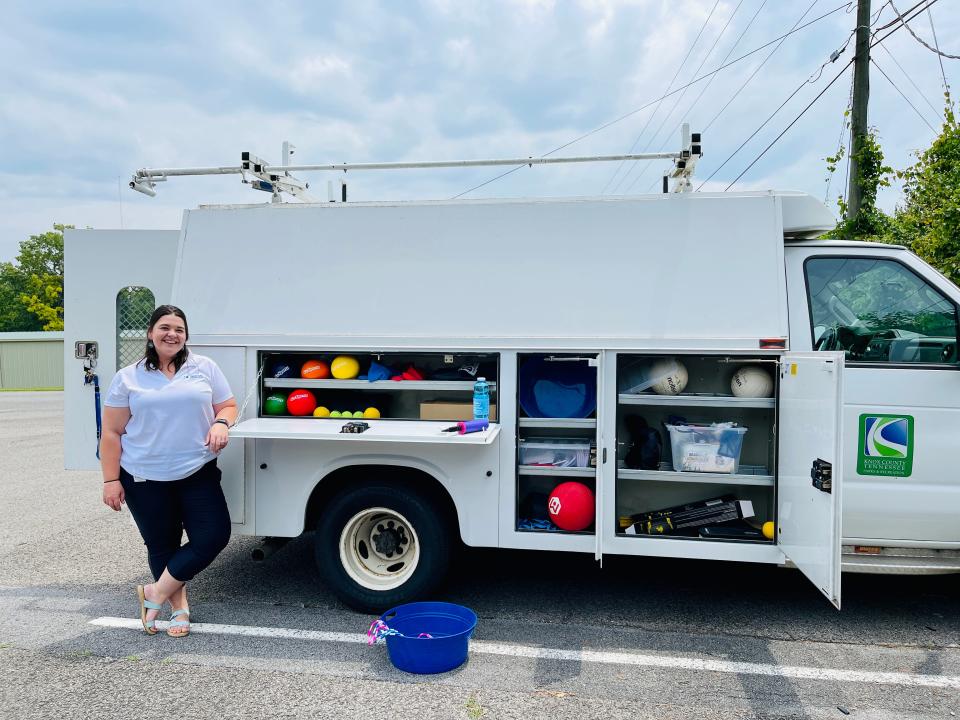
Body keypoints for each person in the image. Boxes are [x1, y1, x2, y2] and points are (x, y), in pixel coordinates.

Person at [100, 305, 237, 637]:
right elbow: (112, 432)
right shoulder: (128, 376)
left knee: (214, 536)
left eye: (178, 328)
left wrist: (221, 422)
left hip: (196, 471)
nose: (171, 334)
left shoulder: (204, 367)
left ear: (186, 335)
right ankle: (179, 610)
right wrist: (110, 479)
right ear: (150, 333)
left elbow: (228, 405)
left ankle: (153, 593)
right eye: (164, 327)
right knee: (162, 545)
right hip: (144, 477)